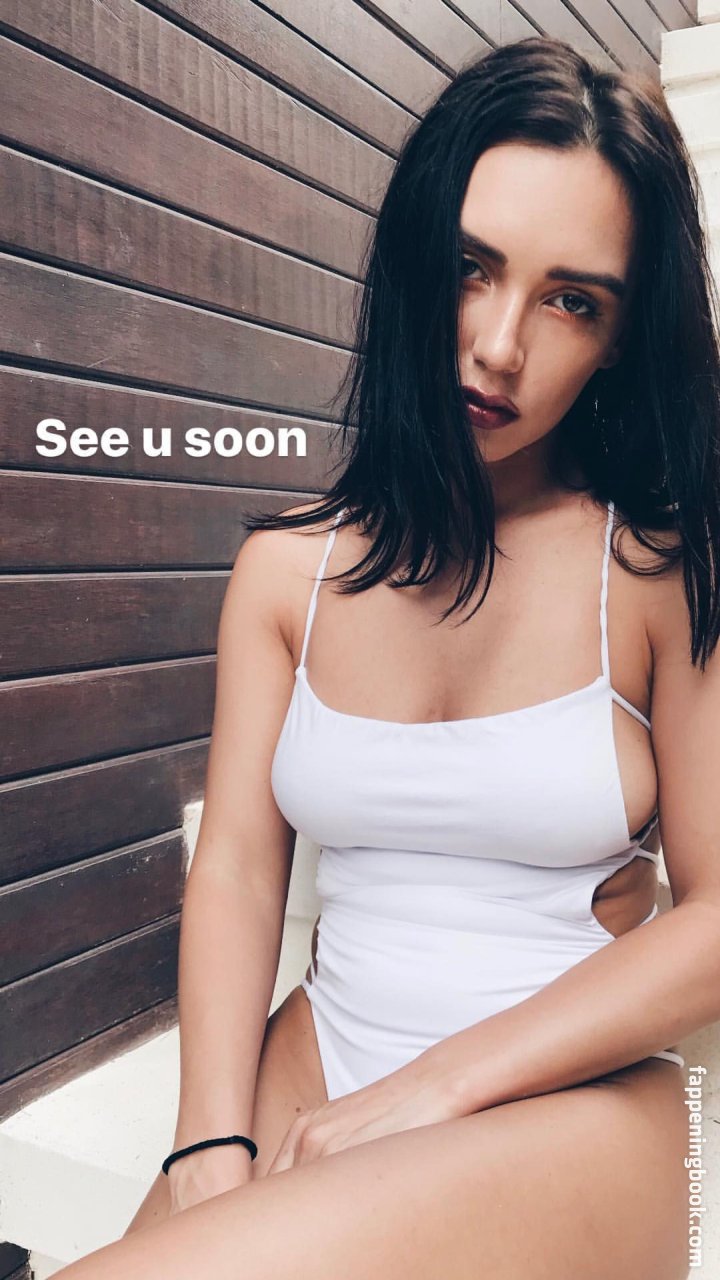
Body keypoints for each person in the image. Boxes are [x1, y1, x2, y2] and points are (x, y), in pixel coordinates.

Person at [54, 34, 720, 1280]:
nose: (501, 345)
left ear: (621, 337)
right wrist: (209, 1136)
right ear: (415, 261)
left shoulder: (652, 572)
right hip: (326, 1047)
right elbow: (240, 863)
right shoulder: (284, 573)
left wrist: (438, 1084)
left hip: (578, 1103)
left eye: (572, 299)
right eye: (472, 268)